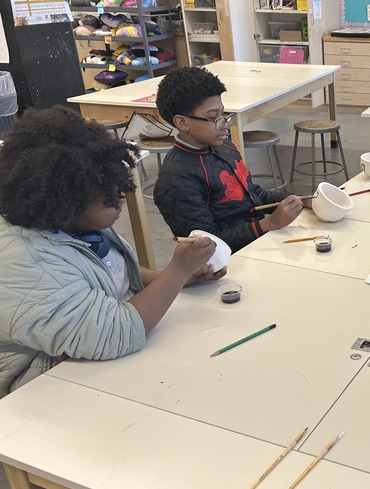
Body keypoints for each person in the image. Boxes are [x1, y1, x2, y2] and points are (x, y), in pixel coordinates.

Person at [0, 106, 226, 399]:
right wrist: (178, 270)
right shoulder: (26, 260)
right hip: (47, 386)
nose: (121, 201)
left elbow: (113, 272)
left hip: (102, 355)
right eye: (109, 199)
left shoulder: (74, 224)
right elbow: (116, 334)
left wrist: (174, 279)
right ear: (65, 204)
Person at [153, 66, 308, 253]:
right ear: (182, 122)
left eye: (223, 114)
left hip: (256, 244)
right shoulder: (176, 178)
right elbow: (206, 245)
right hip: (228, 261)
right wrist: (269, 223)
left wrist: (301, 200)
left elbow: (252, 194)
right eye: (213, 117)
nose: (224, 124)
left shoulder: (224, 146)